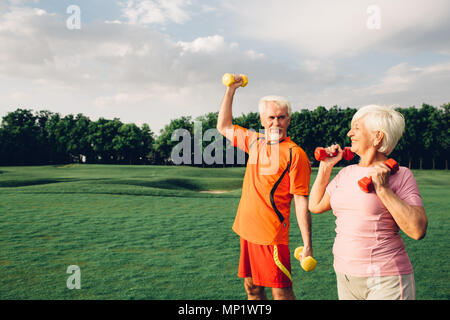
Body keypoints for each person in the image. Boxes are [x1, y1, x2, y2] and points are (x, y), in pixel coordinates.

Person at [308, 104, 428, 300]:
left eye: (356, 127)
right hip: (345, 276)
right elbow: (315, 205)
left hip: (386, 278)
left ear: (377, 136)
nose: (349, 133)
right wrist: (326, 167)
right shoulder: (346, 173)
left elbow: (417, 230)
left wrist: (384, 189)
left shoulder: (401, 175)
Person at [216, 75, 312, 300]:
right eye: (271, 117)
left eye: (281, 117)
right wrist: (231, 90)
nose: (276, 123)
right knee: (252, 289)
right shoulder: (254, 141)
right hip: (246, 230)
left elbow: (300, 200)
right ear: (262, 119)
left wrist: (307, 243)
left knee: (281, 293)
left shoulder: (295, 154)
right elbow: (224, 126)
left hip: (272, 236)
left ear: (289, 119)